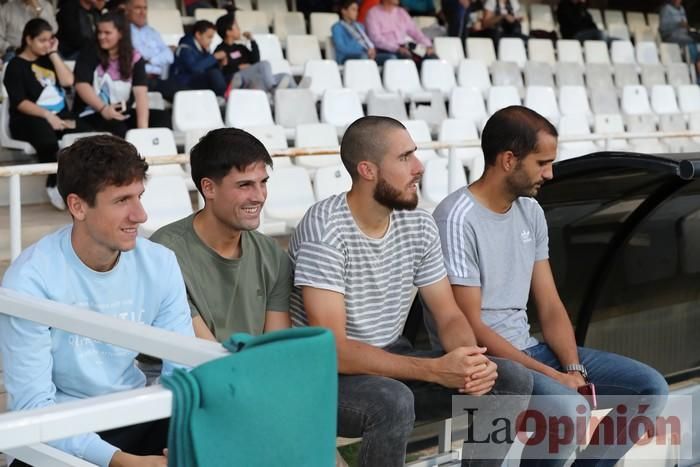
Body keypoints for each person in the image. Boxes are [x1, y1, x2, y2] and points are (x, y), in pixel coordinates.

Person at [429, 105, 670, 466]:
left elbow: (551, 304)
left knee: (650, 389)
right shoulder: (456, 217)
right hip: (487, 360)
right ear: (509, 160)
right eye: (542, 163)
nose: (550, 173)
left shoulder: (531, 211)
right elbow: (471, 328)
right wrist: (554, 376)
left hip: (529, 350)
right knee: (566, 409)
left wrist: (573, 370)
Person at [288, 115, 533, 467]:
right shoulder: (324, 228)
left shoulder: (418, 223)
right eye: (405, 158)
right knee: (394, 401)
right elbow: (335, 351)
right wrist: (434, 371)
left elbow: (448, 314)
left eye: (414, 155)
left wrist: (471, 362)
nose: (418, 167)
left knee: (510, 379)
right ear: (368, 170)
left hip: (392, 362)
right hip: (327, 379)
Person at [0, 134, 195, 467]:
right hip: (62, 426)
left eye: (140, 196)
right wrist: (119, 461)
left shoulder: (159, 262)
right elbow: (33, 408)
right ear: (77, 206)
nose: (141, 215)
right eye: (122, 201)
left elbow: (183, 373)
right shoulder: (30, 279)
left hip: (135, 414)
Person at [151, 128, 292, 342]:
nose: (259, 196)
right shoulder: (164, 253)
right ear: (208, 188)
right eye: (244, 185)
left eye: (263, 182)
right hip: (190, 370)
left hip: (252, 371)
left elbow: (275, 348)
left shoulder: (272, 255)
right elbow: (202, 354)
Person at [3, 18, 89, 210]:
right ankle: (53, 184)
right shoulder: (16, 66)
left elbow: (68, 82)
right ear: (28, 39)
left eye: (50, 39)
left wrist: (53, 53)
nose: (46, 44)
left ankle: (84, 188)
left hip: (60, 117)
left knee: (87, 133)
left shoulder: (49, 60)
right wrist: (48, 116)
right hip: (28, 119)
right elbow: (20, 102)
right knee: (46, 136)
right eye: (42, 40)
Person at [74, 11, 168, 138]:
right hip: (94, 112)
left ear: (121, 33)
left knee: (162, 119)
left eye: (107, 33)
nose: (101, 36)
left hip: (123, 111)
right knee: (118, 128)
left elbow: (141, 95)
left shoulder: (135, 58)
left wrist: (143, 132)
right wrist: (103, 109)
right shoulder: (89, 53)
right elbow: (81, 85)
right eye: (99, 32)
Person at [214, 14, 294, 93]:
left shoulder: (240, 47)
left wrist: (252, 41)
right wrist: (239, 67)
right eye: (237, 27)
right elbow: (222, 72)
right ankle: (272, 89)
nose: (239, 29)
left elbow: (255, 61)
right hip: (239, 81)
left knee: (286, 76)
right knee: (264, 64)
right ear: (228, 32)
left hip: (253, 78)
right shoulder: (220, 50)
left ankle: (300, 94)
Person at [364, 0, 437, 65]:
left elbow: (416, 33)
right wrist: (396, 48)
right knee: (406, 59)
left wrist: (428, 46)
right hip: (384, 50)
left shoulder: (401, 12)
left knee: (432, 58)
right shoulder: (373, 13)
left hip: (404, 48)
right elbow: (376, 39)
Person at [169, 19, 228, 97]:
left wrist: (221, 65)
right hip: (183, 84)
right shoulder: (184, 49)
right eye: (209, 37)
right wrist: (214, 57)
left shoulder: (203, 49)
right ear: (198, 35)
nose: (211, 41)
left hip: (197, 82)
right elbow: (194, 68)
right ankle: (222, 98)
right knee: (214, 74)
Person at [126, 0, 174, 89]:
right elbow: (140, 56)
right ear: (128, 10)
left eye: (145, 8)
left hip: (160, 79)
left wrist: (150, 60)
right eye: (138, 8)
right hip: (137, 80)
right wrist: (156, 57)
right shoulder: (124, 31)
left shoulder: (153, 32)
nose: (142, 12)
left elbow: (169, 56)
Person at [331, 0, 387, 65]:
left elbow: (367, 42)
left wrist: (371, 50)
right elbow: (342, 48)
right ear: (344, 11)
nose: (356, 12)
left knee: (389, 58)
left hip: (366, 54)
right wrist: (365, 51)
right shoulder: (337, 27)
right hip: (346, 57)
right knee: (363, 57)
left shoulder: (360, 26)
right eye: (353, 9)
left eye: (357, 10)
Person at [659, 0, 700, 83]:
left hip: (684, 34)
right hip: (670, 35)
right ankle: (695, 64)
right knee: (691, 41)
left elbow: (685, 23)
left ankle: (696, 62)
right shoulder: (666, 9)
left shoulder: (681, 9)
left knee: (696, 38)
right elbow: (663, 28)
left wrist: (687, 26)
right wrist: (677, 24)